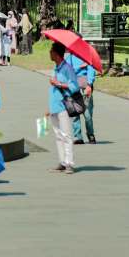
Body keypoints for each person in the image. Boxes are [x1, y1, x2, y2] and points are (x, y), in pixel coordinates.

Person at [48, 42, 79, 173]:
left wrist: (59, 83)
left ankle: (69, 164)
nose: (49, 53)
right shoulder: (56, 68)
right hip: (54, 105)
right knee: (58, 136)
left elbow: (74, 87)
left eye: (51, 51)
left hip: (64, 106)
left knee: (66, 135)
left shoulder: (67, 68)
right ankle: (62, 161)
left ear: (56, 53)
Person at [71, 53, 97, 144]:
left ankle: (90, 134)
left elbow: (91, 71)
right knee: (75, 114)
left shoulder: (86, 56)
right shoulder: (68, 59)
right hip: (73, 88)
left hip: (85, 87)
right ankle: (78, 137)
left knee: (87, 114)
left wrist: (89, 85)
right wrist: (80, 67)